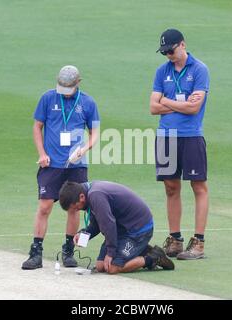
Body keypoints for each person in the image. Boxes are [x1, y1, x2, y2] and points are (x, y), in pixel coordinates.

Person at [22, 66, 100, 270]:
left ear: (78, 83)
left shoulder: (88, 103)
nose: (64, 90)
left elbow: (94, 133)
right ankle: (36, 252)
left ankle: (68, 251)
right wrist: (42, 153)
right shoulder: (47, 98)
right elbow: (37, 127)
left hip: (76, 165)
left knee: (74, 207)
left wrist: (84, 149)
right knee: (44, 206)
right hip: (52, 164)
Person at [150, 29, 210, 260]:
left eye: (171, 51)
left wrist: (165, 100)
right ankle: (175, 240)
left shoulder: (199, 70)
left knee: (198, 186)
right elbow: (152, 108)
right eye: (165, 52)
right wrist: (179, 103)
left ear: (182, 44)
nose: (168, 56)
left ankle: (199, 242)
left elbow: (194, 108)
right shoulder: (161, 71)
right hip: (166, 136)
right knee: (170, 188)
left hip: (191, 136)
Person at [58, 181, 175, 274]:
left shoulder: (96, 196)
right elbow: (96, 225)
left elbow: (109, 224)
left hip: (138, 230)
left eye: (75, 207)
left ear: (81, 197)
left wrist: (111, 253)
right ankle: (141, 249)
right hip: (122, 230)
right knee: (100, 266)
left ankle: (154, 258)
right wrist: (82, 234)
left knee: (112, 268)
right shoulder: (89, 193)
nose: (76, 210)